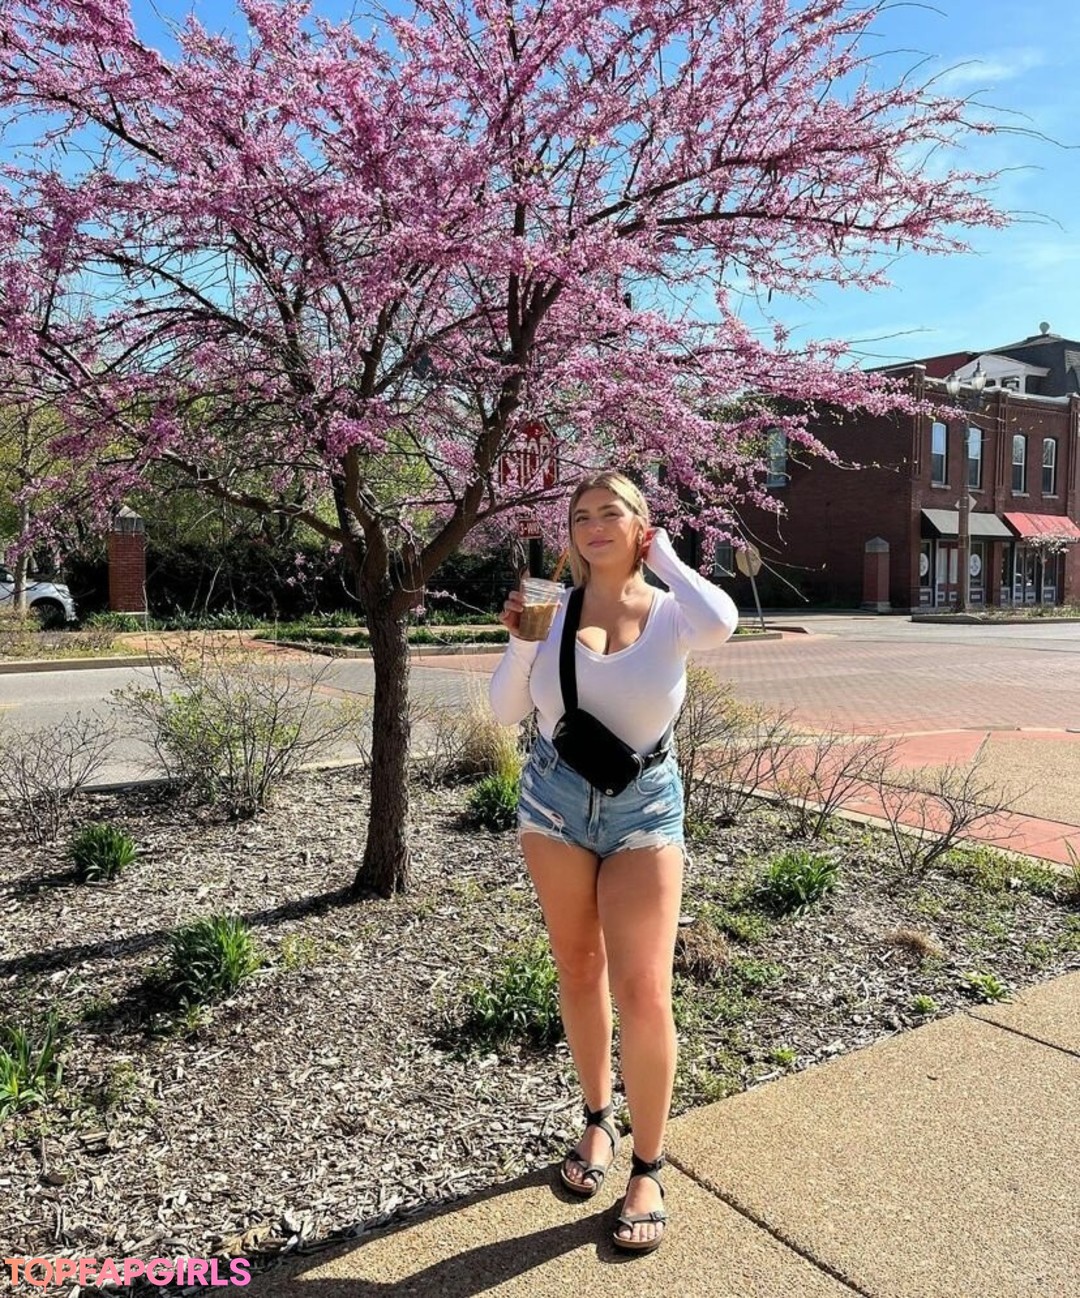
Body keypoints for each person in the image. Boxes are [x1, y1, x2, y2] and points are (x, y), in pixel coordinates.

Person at [489, 470, 738, 1253]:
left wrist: (663, 556)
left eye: (612, 513)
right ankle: (597, 1119)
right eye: (581, 516)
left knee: (644, 989)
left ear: (640, 524)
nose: (594, 525)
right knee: (577, 965)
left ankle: (649, 1165)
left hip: (645, 809)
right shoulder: (551, 609)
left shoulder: (671, 612)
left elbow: (723, 621)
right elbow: (504, 710)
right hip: (554, 805)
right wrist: (519, 639)